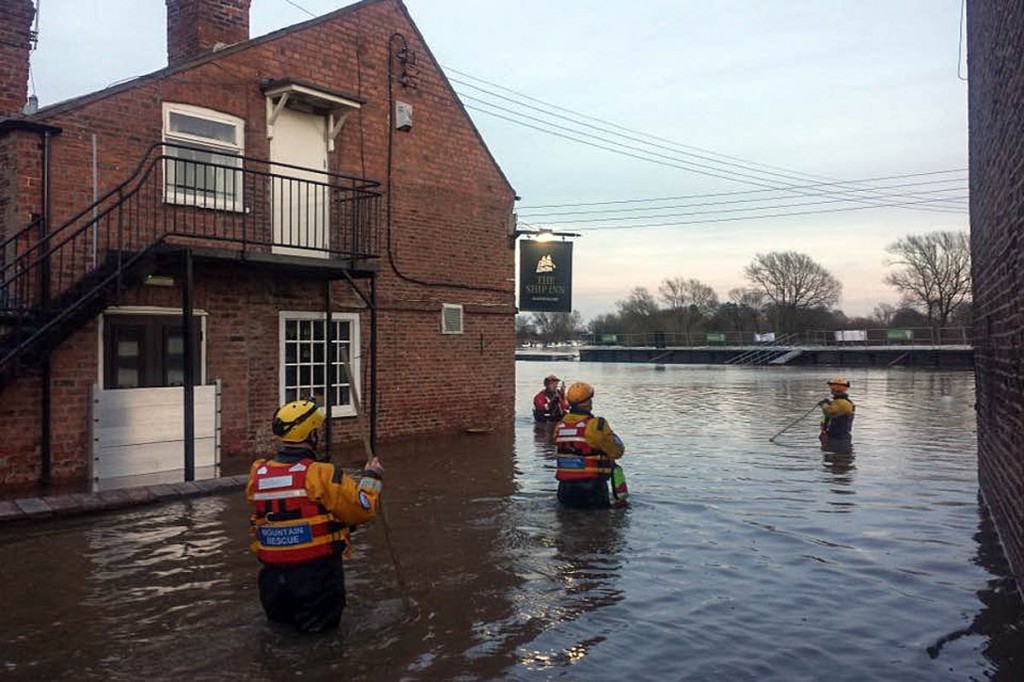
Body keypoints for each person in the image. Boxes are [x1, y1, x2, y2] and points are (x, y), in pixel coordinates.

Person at [246, 397, 384, 633]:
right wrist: (372, 477)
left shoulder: (258, 473)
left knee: (281, 635)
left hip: (271, 581)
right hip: (316, 578)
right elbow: (363, 511)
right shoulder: (321, 474)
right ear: (311, 435)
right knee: (321, 642)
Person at [553, 381, 627, 508]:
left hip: (564, 489)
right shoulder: (596, 425)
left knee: (566, 523)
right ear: (588, 403)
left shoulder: (560, 426)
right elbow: (617, 451)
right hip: (591, 489)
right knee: (598, 524)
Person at [819, 376, 855, 452]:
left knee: (838, 458)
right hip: (834, 435)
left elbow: (830, 412)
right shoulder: (838, 402)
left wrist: (824, 405)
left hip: (839, 437)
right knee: (833, 457)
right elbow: (827, 417)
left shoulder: (843, 403)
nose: (831, 390)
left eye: (832, 388)